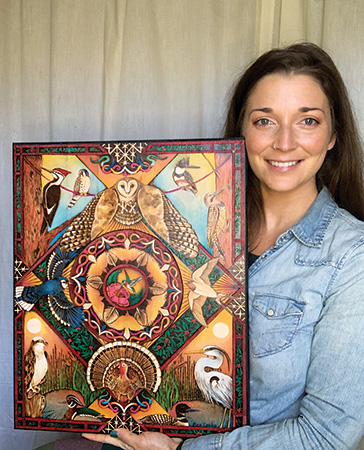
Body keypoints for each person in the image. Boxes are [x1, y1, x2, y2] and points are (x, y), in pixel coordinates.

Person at [81, 42, 364, 449]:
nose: (284, 143)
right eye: (265, 121)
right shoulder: (199, 221)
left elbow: (326, 438)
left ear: (334, 135)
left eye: (307, 121)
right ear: (242, 130)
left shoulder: (351, 257)